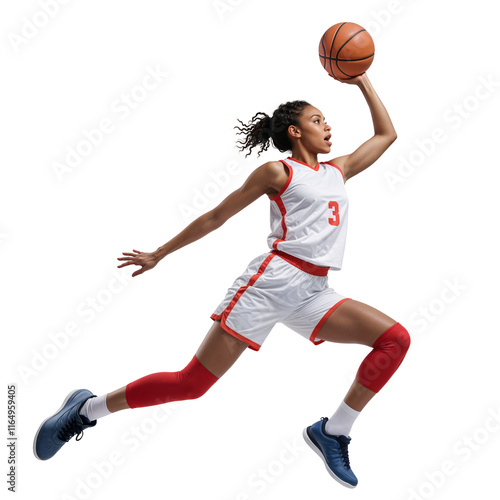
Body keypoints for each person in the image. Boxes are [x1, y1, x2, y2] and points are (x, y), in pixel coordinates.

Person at [33, 72, 410, 489]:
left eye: (326, 120)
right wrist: (160, 252)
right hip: (269, 286)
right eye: (318, 120)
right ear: (295, 130)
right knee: (191, 384)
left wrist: (361, 80)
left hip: (313, 291)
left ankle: (333, 432)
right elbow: (217, 216)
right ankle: (86, 410)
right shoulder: (277, 172)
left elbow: (386, 133)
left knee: (395, 339)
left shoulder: (338, 171)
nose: (328, 126)